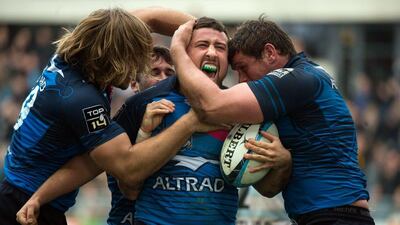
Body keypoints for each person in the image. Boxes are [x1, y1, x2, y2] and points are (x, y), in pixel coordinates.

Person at [16, 17, 291, 225]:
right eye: (202, 45)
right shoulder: (143, 105)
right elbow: (101, 165)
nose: (211, 52)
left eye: (220, 47)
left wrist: (282, 163)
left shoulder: (240, 108)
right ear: (182, 53)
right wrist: (41, 196)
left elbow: (266, 189)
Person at [1, 7, 196, 225]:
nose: (139, 66)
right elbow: (127, 168)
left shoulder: (77, 57)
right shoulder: (82, 100)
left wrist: (214, 37)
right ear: (114, 56)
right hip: (25, 209)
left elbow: (151, 17)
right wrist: (192, 121)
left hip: (31, 196)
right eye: (135, 57)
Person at [170, 18, 375, 224]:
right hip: (331, 214)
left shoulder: (295, 79)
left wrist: (178, 49)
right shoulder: (306, 76)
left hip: (335, 215)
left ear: (269, 53)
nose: (242, 79)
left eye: (243, 67)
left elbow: (211, 105)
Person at [106, 45, 176, 225]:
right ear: (134, 84)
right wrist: (144, 132)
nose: (163, 80)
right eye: (155, 72)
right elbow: (131, 190)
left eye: (170, 74)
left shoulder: (182, 120)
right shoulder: (120, 124)